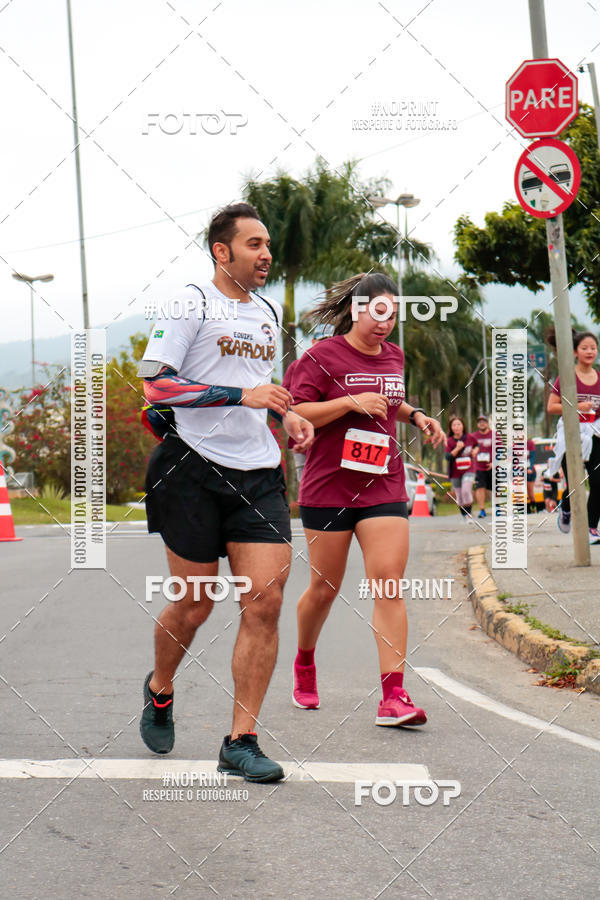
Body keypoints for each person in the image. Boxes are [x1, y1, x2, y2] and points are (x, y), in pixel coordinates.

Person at [137, 202, 313, 782]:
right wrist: (241, 400)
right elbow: (156, 385)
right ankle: (160, 688)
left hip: (257, 474)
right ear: (222, 251)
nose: (266, 254)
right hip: (190, 468)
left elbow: (262, 387)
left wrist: (284, 414)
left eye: (267, 245)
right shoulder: (191, 302)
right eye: (254, 244)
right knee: (195, 603)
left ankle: (241, 740)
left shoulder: (264, 311)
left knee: (263, 602)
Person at [287, 273, 445, 725]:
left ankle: (393, 696)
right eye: (378, 312)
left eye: (393, 315)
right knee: (324, 589)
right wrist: (350, 403)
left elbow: (390, 401)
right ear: (356, 310)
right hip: (329, 486)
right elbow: (297, 410)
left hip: (382, 483)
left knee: (389, 581)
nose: (386, 323)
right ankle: (304, 662)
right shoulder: (321, 356)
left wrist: (416, 417)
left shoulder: (394, 355)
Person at [546, 328, 600, 544]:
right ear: (575, 352)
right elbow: (552, 407)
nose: (590, 352)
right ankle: (565, 507)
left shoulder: (599, 376)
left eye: (593, 348)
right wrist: (577, 407)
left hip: (595, 434)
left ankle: (590, 528)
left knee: (598, 483)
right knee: (576, 483)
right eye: (585, 348)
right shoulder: (567, 377)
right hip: (571, 434)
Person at [281, 324, 333, 484]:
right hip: (303, 442)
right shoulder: (297, 366)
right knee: (307, 489)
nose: (325, 345)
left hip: (331, 442)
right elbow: (284, 401)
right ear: (313, 341)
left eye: (330, 341)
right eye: (321, 340)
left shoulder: (339, 368)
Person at [445, 416, 476, 520]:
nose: (457, 427)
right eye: (454, 425)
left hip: (469, 469)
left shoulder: (470, 437)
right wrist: (457, 448)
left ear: (463, 426)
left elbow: (477, 445)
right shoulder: (449, 441)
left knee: (466, 491)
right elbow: (448, 457)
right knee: (459, 496)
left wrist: (475, 450)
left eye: (459, 424)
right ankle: (464, 516)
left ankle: (469, 514)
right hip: (455, 472)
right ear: (451, 428)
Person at [470, 415, 494, 518]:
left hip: (493, 467)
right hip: (478, 467)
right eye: (480, 422)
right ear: (477, 424)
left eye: (484, 421)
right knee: (480, 488)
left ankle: (498, 509)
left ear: (488, 423)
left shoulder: (494, 435)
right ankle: (482, 510)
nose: (482, 423)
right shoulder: (473, 437)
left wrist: (495, 463)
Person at [526, 437, 537, 513]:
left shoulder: (530, 443)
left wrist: (530, 468)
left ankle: (533, 508)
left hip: (529, 471)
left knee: (530, 493)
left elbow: (532, 457)